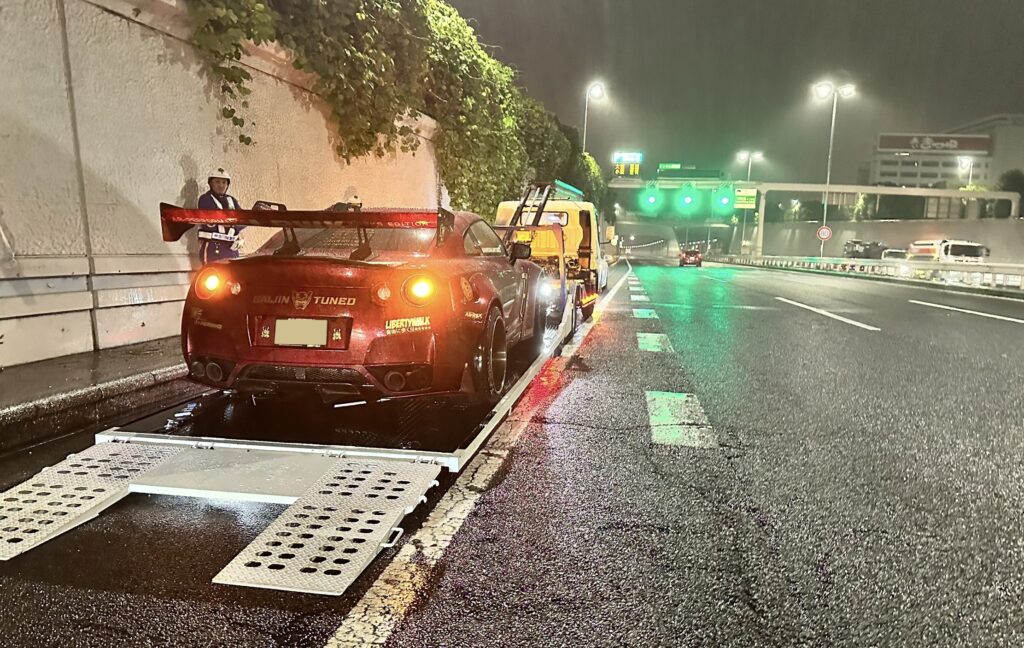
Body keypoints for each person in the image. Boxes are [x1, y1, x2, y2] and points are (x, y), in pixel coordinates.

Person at [197, 167, 245, 264]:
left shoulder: (232, 200)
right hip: (213, 248)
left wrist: (234, 225)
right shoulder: (205, 199)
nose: (221, 185)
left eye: (224, 182)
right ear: (211, 183)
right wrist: (233, 222)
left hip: (232, 249)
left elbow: (243, 220)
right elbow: (216, 220)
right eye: (217, 182)